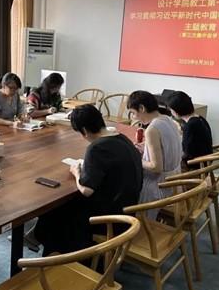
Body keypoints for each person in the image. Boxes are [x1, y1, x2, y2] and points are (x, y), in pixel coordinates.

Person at [34, 104, 142, 255]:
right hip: (128, 211)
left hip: (109, 219)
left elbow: (86, 190)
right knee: (60, 209)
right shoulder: (122, 138)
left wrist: (76, 172)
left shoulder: (97, 148)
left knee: (56, 210)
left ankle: (55, 254)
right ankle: (41, 240)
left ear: (84, 131)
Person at [128, 90, 182, 220]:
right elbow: (166, 147)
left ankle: (133, 225)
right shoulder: (168, 120)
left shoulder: (152, 129)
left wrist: (136, 158)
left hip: (159, 186)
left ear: (142, 108)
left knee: (123, 185)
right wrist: (146, 148)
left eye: (133, 113)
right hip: (175, 181)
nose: (134, 117)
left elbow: (156, 167)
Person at [167, 91, 213, 170]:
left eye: (171, 109)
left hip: (196, 165)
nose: (171, 112)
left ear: (176, 111)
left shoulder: (190, 126)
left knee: (165, 160)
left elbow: (187, 154)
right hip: (206, 160)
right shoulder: (200, 118)